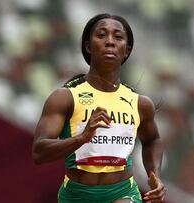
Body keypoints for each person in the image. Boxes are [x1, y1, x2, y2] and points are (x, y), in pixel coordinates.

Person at [32, 13, 166, 203]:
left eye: (118, 37)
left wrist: (156, 176)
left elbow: (153, 140)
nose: (110, 42)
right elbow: (39, 152)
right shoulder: (66, 97)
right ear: (88, 46)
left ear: (126, 50)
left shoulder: (139, 103)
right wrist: (81, 138)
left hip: (122, 192)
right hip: (76, 195)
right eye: (101, 35)